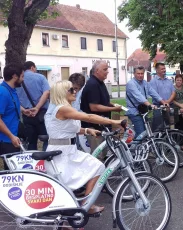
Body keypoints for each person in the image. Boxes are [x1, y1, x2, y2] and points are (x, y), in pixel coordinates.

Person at [45, 80, 124, 216]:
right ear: (62, 93)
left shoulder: (62, 108)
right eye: (71, 90)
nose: (75, 91)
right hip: (61, 155)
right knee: (69, 187)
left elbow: (68, 129)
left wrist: (87, 130)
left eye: (74, 89)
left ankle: (87, 204)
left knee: (97, 167)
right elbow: (89, 116)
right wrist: (114, 121)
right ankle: (83, 207)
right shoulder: (62, 109)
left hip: (68, 152)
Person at [80, 60, 122, 159]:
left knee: (103, 153)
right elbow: (94, 107)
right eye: (105, 69)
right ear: (97, 71)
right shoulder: (92, 84)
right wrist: (114, 108)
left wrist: (112, 105)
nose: (107, 72)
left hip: (102, 124)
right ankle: (96, 174)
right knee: (97, 154)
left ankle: (102, 172)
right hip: (93, 126)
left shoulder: (100, 83)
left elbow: (103, 101)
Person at [0, 64, 31, 169]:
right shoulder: (3, 92)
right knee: (11, 171)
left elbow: (10, 105)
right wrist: (11, 136)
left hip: (14, 137)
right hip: (7, 140)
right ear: (14, 76)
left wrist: (24, 110)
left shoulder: (11, 89)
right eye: (22, 76)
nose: (23, 79)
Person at [16, 61, 50, 151]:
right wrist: (37, 108)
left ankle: (33, 161)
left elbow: (15, 99)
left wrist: (24, 110)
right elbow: (46, 93)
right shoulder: (41, 77)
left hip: (27, 115)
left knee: (31, 142)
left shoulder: (18, 80)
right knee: (47, 139)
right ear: (32, 67)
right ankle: (46, 160)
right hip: (42, 115)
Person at [126, 66, 167, 137]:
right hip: (134, 112)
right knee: (141, 133)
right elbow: (139, 96)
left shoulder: (145, 83)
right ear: (134, 74)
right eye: (138, 73)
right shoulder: (131, 83)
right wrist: (150, 105)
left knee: (146, 133)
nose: (140, 75)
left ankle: (137, 146)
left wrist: (163, 102)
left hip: (143, 111)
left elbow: (153, 92)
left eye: (142, 73)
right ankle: (135, 147)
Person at [149, 63, 175, 131]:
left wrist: (167, 102)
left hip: (169, 105)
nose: (164, 70)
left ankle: (167, 140)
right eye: (162, 69)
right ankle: (156, 140)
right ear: (157, 70)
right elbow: (155, 94)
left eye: (164, 68)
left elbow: (173, 93)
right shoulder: (153, 81)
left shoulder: (169, 81)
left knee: (169, 125)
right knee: (158, 126)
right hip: (158, 106)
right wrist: (163, 102)